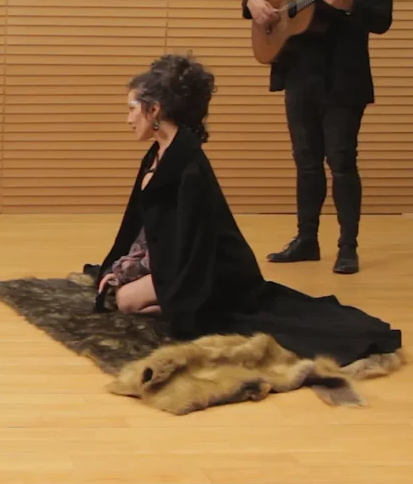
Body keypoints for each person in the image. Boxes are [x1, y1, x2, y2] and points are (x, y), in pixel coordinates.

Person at [94, 54, 401, 368]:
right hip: (176, 259)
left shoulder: (187, 164)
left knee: (126, 300)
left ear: (154, 109)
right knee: (120, 291)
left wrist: (162, 291)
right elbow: (149, 229)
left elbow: (192, 245)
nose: (128, 119)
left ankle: (209, 305)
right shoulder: (159, 153)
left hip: (209, 270)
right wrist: (124, 267)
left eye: (131, 109)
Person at [242, 0, 394, 275]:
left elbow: (381, 21)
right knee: (306, 162)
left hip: (343, 82)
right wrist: (252, 2)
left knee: (341, 161)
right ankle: (306, 239)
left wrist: (349, 5)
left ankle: (347, 247)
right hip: (299, 78)